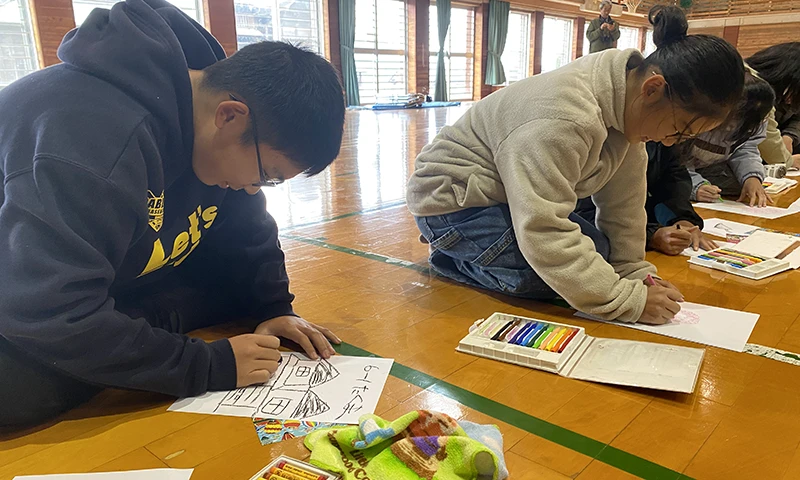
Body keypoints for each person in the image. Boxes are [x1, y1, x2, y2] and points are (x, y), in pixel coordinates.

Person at [0, 0, 345, 427]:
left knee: (228, 290)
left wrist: (274, 307)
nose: (255, 188)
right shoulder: (94, 142)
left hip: (89, 278)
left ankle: (123, 324)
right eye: (266, 175)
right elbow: (46, 310)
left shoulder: (211, 115)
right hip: (22, 289)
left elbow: (247, 230)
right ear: (230, 116)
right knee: (21, 390)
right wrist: (205, 365)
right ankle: (125, 325)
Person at [407, 6, 744, 327]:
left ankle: (469, 250)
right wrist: (625, 301)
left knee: (598, 256)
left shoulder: (629, 107)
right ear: (652, 89)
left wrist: (635, 274)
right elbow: (542, 228)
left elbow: (625, 207)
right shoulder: (564, 117)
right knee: (552, 279)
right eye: (678, 130)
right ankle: (451, 253)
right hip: (454, 204)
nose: (670, 142)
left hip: (506, 198)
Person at [574, 142, 718, 256]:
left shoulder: (661, 140)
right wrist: (650, 237)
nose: (675, 139)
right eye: (678, 128)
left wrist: (682, 221)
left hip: (629, 235)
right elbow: (584, 212)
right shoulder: (604, 139)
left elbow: (672, 184)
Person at [685, 70, 775, 207]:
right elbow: (674, 160)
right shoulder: (699, 115)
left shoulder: (755, 119)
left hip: (712, 167)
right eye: (736, 119)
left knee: (742, 184)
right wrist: (695, 186)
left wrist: (752, 176)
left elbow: (746, 148)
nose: (733, 127)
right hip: (679, 169)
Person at [746, 43, 800, 166]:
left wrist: (790, 136)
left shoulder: (782, 85)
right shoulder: (757, 91)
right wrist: (789, 162)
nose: (790, 101)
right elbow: (767, 137)